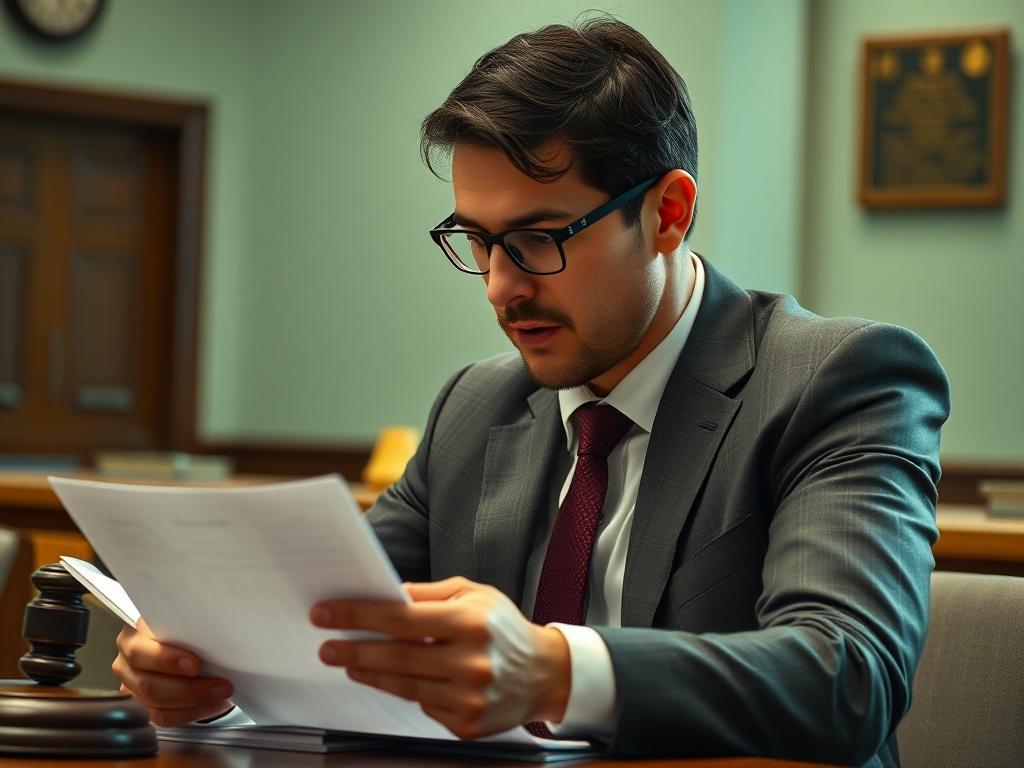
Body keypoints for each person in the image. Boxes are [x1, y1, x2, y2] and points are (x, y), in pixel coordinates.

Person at [112, 17, 949, 767]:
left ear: (667, 212)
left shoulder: (839, 379)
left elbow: (849, 677)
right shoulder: (476, 406)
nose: (500, 288)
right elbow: (333, 623)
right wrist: (207, 665)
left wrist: (553, 669)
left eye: (539, 239)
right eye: (477, 241)